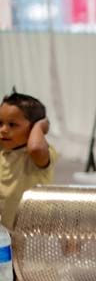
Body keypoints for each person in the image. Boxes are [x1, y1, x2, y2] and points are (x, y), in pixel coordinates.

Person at [0, 91, 56, 229]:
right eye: (0, 123)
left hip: (35, 230)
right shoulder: (3, 153)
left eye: (12, 125)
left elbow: (35, 148)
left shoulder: (37, 154)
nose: (3, 130)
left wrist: (40, 126)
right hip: (7, 230)